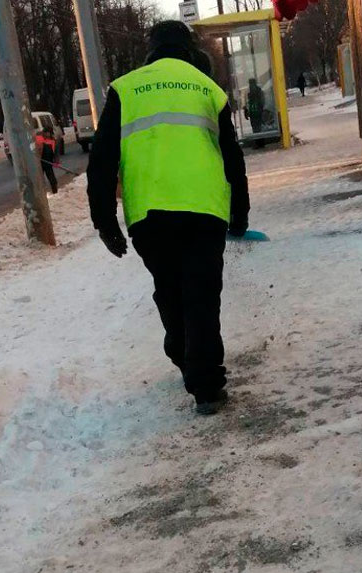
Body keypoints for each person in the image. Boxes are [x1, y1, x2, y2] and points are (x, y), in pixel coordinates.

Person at [86, 20, 250, 415]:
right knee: (202, 294)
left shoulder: (125, 89)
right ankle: (206, 385)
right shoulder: (207, 88)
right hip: (204, 209)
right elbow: (232, 156)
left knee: (170, 287)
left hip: (149, 214)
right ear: (189, 48)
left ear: (150, 49)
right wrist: (239, 210)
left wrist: (104, 220)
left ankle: (184, 354)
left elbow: (102, 160)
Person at [39, 127, 58, 194]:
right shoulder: (40, 139)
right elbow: (38, 150)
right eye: (45, 133)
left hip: (48, 162)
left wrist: (56, 161)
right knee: (40, 180)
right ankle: (42, 193)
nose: (47, 134)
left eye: (48, 133)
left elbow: (55, 152)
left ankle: (55, 191)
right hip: (40, 163)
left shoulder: (53, 141)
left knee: (52, 179)